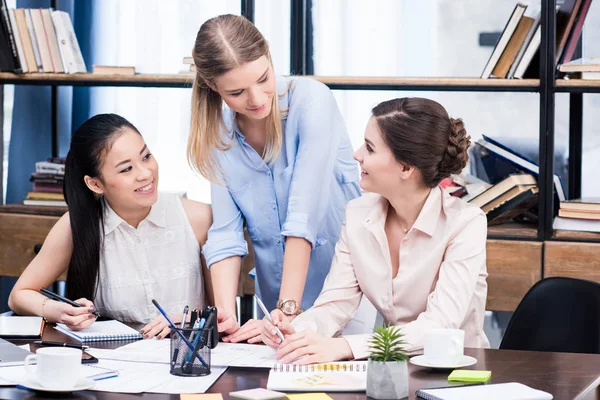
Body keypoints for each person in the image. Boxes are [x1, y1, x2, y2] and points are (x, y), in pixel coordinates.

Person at [261, 97, 490, 364]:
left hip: (457, 372)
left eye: (369, 148)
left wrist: (346, 346)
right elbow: (336, 304)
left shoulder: (466, 224)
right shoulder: (357, 214)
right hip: (393, 368)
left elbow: (439, 325)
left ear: (406, 167)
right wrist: (296, 329)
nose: (357, 154)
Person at [187, 14, 361, 343]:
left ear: (268, 55)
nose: (256, 99)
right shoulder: (217, 134)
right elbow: (225, 236)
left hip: (344, 298)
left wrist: (289, 309)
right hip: (276, 306)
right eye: (237, 92)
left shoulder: (312, 100)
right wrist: (226, 316)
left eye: (263, 78)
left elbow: (303, 218)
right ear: (213, 86)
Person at [9, 114, 213, 340]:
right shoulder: (76, 226)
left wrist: (188, 319)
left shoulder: (198, 217)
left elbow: (222, 315)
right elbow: (20, 295)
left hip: (187, 361)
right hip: (114, 363)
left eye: (146, 156)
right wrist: (59, 311)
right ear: (95, 184)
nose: (145, 174)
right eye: (126, 169)